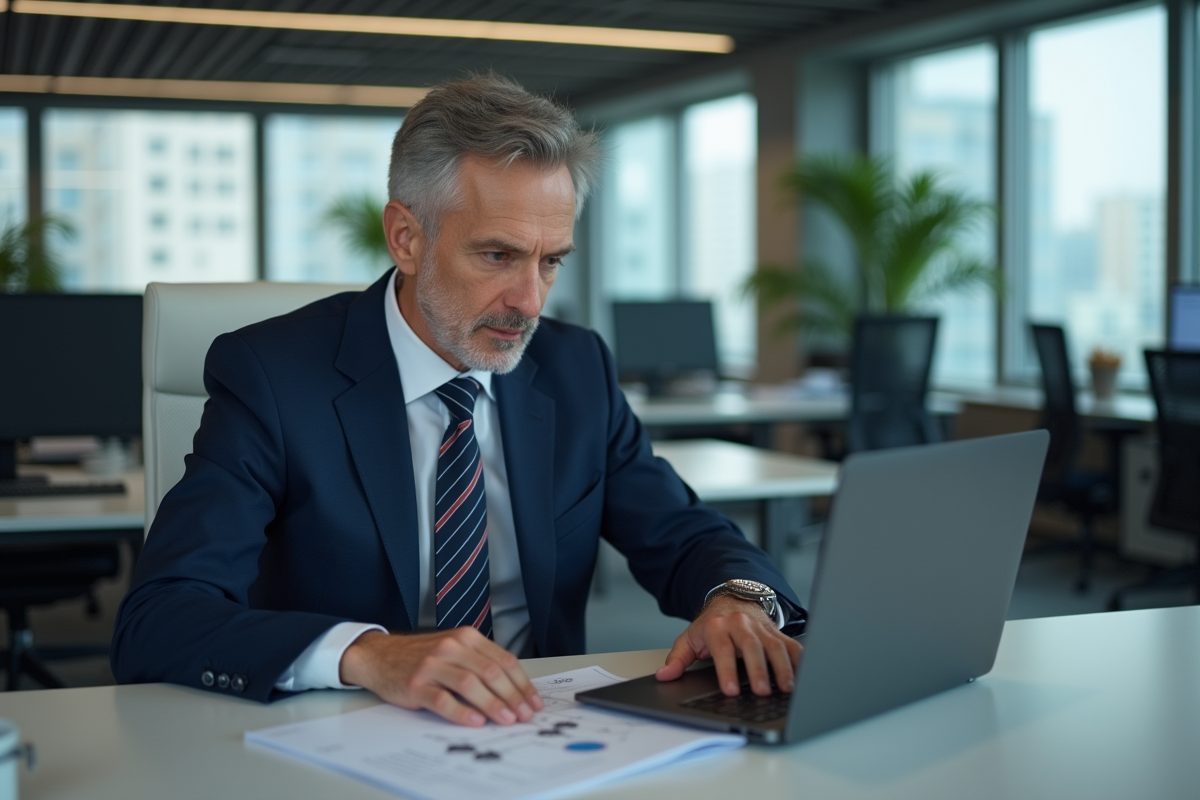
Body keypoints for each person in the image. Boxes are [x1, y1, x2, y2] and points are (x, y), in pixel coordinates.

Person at [112, 74, 806, 728]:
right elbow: (163, 615)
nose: (529, 302)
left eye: (550, 260)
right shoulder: (273, 375)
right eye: (497, 256)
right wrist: (366, 654)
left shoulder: (574, 367)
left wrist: (738, 599)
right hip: (337, 737)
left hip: (544, 737)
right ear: (407, 238)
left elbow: (685, 537)